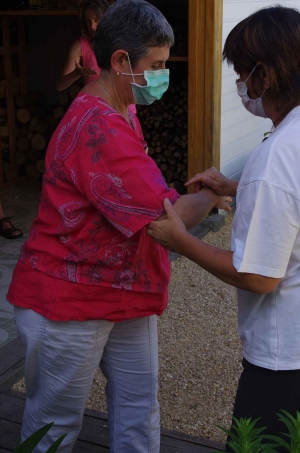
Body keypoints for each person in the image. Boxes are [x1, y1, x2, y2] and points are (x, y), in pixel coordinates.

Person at [8, 1, 230, 451]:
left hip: (119, 289)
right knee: (54, 427)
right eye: (158, 65)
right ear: (120, 61)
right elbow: (166, 217)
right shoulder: (99, 127)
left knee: (138, 405)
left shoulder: (118, 105)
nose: (163, 75)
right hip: (69, 299)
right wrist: (215, 193)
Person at [147, 5, 300, 443]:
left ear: (265, 76)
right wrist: (235, 186)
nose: (242, 87)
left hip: (283, 359)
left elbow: (258, 276)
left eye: (243, 75)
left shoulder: (275, 160)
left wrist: (181, 239)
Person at [56, 0, 110, 91]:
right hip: (93, 103)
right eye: (88, 21)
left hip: (119, 104)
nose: (92, 26)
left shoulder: (121, 43)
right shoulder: (80, 46)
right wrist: (76, 73)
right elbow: (60, 86)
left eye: (97, 20)